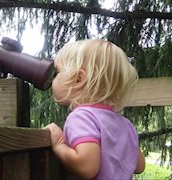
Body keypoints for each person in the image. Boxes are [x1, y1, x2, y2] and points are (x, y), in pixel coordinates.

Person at [43, 39, 145, 179]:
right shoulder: (125, 124)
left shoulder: (82, 117)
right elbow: (139, 166)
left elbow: (86, 167)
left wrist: (59, 144)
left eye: (57, 72)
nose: (53, 79)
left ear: (78, 79)